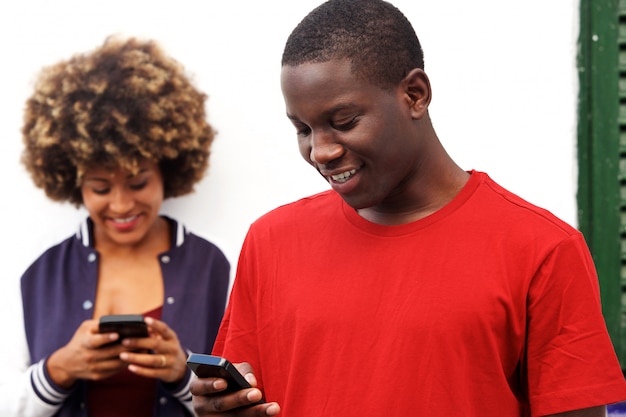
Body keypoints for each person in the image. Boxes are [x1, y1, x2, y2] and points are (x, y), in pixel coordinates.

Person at [188, 0, 626, 416]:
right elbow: (243, 396)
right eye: (303, 129)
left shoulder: (543, 250)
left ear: (415, 95)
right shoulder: (271, 241)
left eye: (343, 123)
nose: (319, 151)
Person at [1, 36, 230, 416]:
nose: (121, 205)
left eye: (138, 183)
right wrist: (58, 371)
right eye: (100, 188)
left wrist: (182, 373)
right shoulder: (33, 269)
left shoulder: (219, 264)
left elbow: (248, 401)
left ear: (168, 169)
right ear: (74, 182)